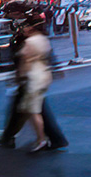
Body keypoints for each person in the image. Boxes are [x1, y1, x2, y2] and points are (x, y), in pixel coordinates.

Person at [7, 16, 54, 152]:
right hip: (44, 74)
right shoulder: (43, 40)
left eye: (26, 27)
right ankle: (38, 136)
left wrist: (20, 77)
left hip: (34, 76)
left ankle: (41, 139)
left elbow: (25, 62)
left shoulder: (30, 42)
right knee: (29, 109)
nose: (24, 29)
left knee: (33, 111)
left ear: (31, 28)